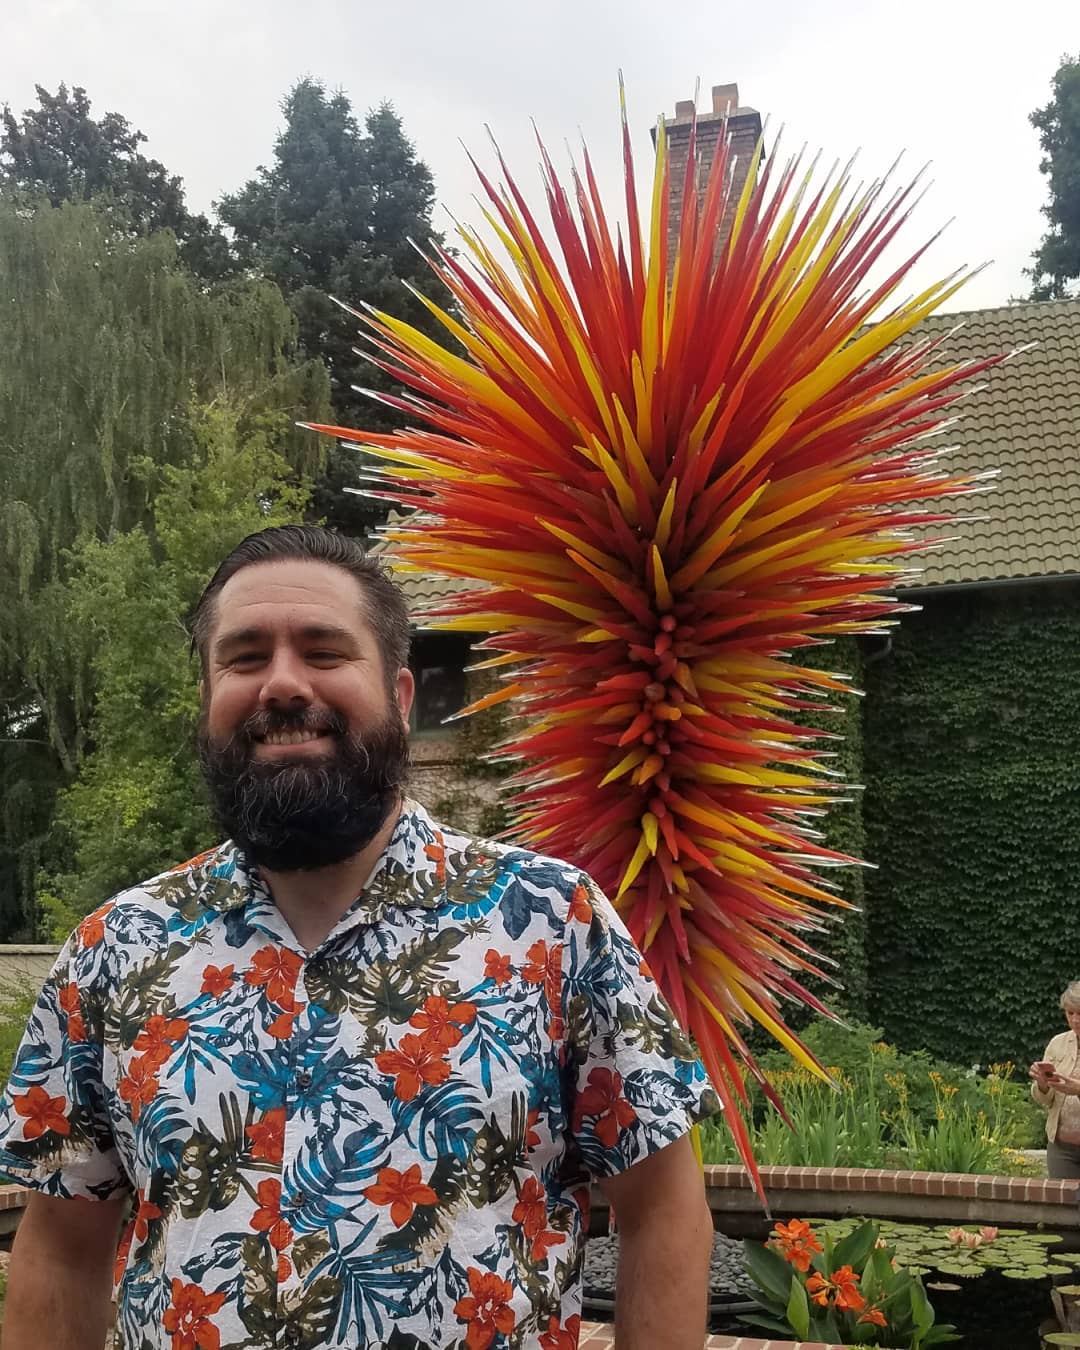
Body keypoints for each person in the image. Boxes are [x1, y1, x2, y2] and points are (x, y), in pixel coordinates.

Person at [0, 525, 718, 1350]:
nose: (280, 683)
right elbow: (58, 1251)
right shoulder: (114, 951)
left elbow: (664, 1209)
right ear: (207, 699)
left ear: (401, 698)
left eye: (323, 650)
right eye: (243, 658)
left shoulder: (552, 925)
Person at [1029, 980, 1080, 1178]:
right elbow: (1045, 1100)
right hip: (1062, 1149)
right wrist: (1042, 1085)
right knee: (1063, 1206)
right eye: (1070, 1013)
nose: (1075, 1020)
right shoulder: (1057, 1044)